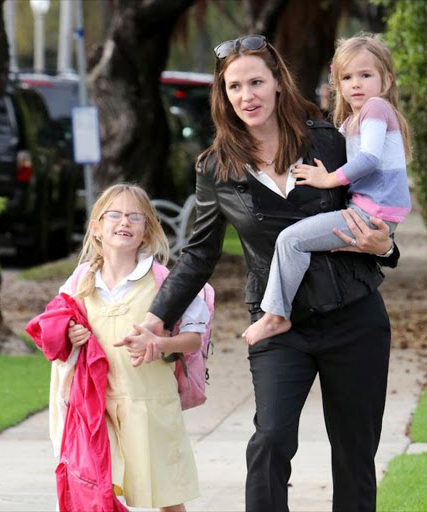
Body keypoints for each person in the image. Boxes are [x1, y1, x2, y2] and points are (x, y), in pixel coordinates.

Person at [133, 35, 400, 512]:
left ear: (278, 83)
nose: (246, 95)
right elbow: (197, 254)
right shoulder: (216, 168)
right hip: (279, 325)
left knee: (355, 455)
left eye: (256, 81)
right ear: (224, 95)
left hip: (354, 317)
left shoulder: (328, 140)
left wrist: (388, 246)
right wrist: (157, 317)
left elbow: (374, 203)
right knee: (271, 441)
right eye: (234, 86)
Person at [48, 184, 208, 512]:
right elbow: (53, 325)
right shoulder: (80, 280)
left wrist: (160, 342)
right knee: (95, 491)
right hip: (96, 407)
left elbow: (195, 336)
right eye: (116, 215)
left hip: (149, 403)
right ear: (96, 227)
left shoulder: (164, 280)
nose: (125, 222)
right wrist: (71, 332)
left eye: (136, 217)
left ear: (147, 231)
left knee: (165, 495)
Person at [243, 33, 412, 345]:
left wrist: (327, 179)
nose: (356, 84)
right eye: (347, 77)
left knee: (291, 241)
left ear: (386, 81)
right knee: (299, 240)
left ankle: (274, 316)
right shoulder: (352, 121)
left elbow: (369, 159)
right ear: (337, 83)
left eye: (365, 75)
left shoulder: (376, 108)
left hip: (370, 214)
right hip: (368, 212)